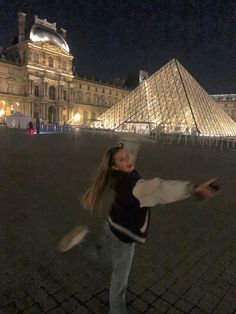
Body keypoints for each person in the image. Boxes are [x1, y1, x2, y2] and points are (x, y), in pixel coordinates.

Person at [58, 142, 219, 314]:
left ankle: (83, 239)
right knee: (118, 284)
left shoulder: (116, 177)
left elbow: (132, 168)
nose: (127, 160)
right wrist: (191, 189)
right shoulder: (135, 186)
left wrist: (129, 147)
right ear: (114, 166)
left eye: (126, 155)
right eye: (122, 159)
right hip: (125, 238)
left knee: (101, 254)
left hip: (112, 225)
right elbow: (159, 188)